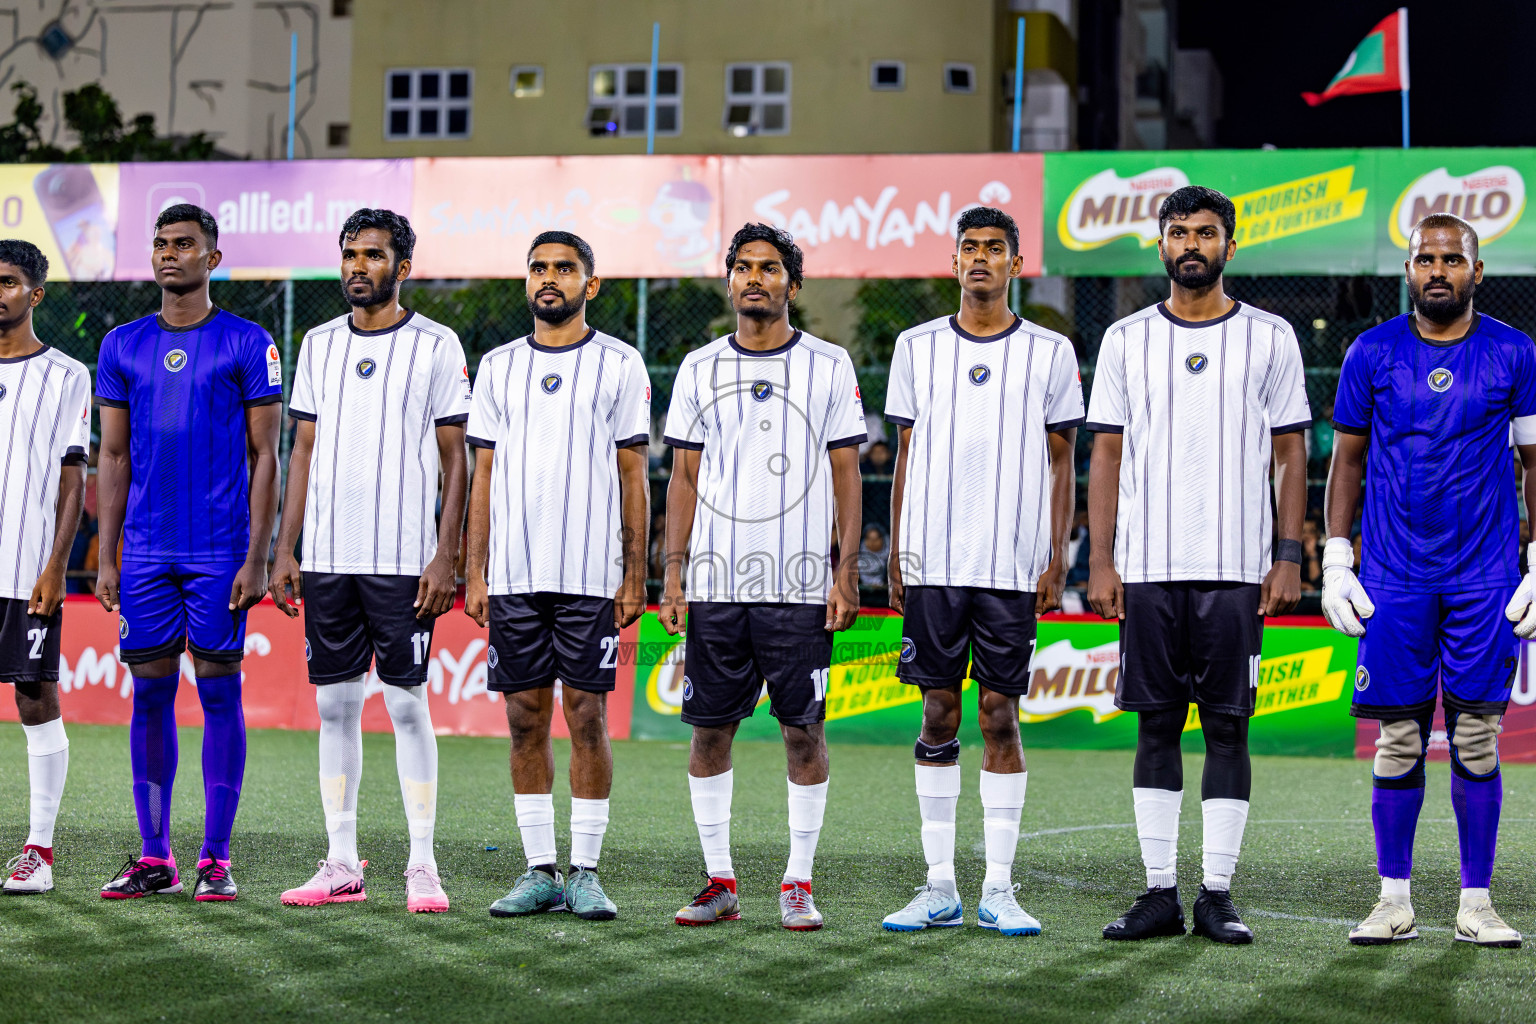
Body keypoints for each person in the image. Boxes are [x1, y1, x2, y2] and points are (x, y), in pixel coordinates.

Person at [1086, 186, 1310, 944]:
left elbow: (1290, 451)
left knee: (1227, 728)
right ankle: (1158, 894)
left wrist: (1287, 555)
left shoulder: (1272, 336)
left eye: (1206, 233)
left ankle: (1216, 893)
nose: (1192, 244)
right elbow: (1107, 451)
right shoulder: (1124, 340)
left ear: (1230, 246)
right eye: (1179, 231)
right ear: (1160, 244)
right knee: (1155, 724)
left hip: (1235, 568)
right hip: (1147, 568)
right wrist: (1103, 558)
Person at [1325, 213, 1535, 948]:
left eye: (1453, 259)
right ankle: (1394, 901)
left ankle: (1476, 904)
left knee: (1477, 739)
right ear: (1408, 271)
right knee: (1399, 738)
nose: (1438, 270)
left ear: (1479, 272)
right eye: (1425, 259)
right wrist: (1334, 557)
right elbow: (1345, 461)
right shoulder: (1370, 352)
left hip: (1484, 578)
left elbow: (1535, 464)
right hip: (1393, 576)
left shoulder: (1515, 352)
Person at [878, 207, 1082, 936]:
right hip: (934, 563)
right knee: (937, 714)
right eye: (969, 248)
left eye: (995, 249)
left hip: (1008, 566)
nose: (981, 260)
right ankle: (938, 886)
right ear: (955, 260)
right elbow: (904, 454)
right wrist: (900, 548)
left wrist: (1056, 554)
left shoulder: (1051, 352)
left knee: (1000, 715)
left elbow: (1063, 462)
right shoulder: (916, 346)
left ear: (1015, 263)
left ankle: (999, 886)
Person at [660, 223, 864, 931]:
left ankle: (798, 882)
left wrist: (845, 573)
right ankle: (719, 881)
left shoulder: (830, 366)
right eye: (744, 267)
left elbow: (847, 473)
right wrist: (673, 571)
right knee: (709, 733)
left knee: (803, 733)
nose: (756, 278)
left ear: (793, 285)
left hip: (802, 589)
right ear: (730, 280)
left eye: (770, 269)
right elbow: (682, 478)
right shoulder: (698, 368)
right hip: (716, 587)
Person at [269, 209, 469, 913]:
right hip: (327, 557)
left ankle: (422, 863)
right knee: (334, 708)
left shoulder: (437, 345)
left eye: (373, 256)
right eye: (350, 254)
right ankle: (341, 863)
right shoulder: (318, 343)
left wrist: (448, 555)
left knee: (409, 708)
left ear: (402, 267)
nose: (358, 266)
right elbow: (302, 450)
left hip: (404, 560)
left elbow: (457, 461)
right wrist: (286, 547)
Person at [94, 205, 283, 901]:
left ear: (213, 256)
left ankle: (215, 857)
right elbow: (113, 456)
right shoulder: (121, 344)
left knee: (218, 689)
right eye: (161, 245)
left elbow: (268, 455)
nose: (170, 255)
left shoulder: (247, 340)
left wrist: (257, 554)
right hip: (144, 552)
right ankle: (155, 857)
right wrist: (108, 555)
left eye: (185, 245)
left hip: (218, 551)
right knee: (148, 694)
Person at [463, 231, 651, 921]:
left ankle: (587, 871)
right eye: (539, 267)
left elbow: (635, 473)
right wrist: (474, 569)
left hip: (588, 574)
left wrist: (635, 572)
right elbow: (482, 475)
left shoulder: (619, 364)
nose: (549, 278)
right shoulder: (498, 366)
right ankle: (539, 870)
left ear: (589, 284)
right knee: (522, 720)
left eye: (564, 268)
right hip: (514, 574)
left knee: (587, 717)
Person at [0, 241, 88, 894]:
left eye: (6, 282)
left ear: (34, 294)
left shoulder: (65, 375)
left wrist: (57, 564)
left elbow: (71, 478)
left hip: (22, 567)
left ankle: (39, 852)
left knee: (35, 698)